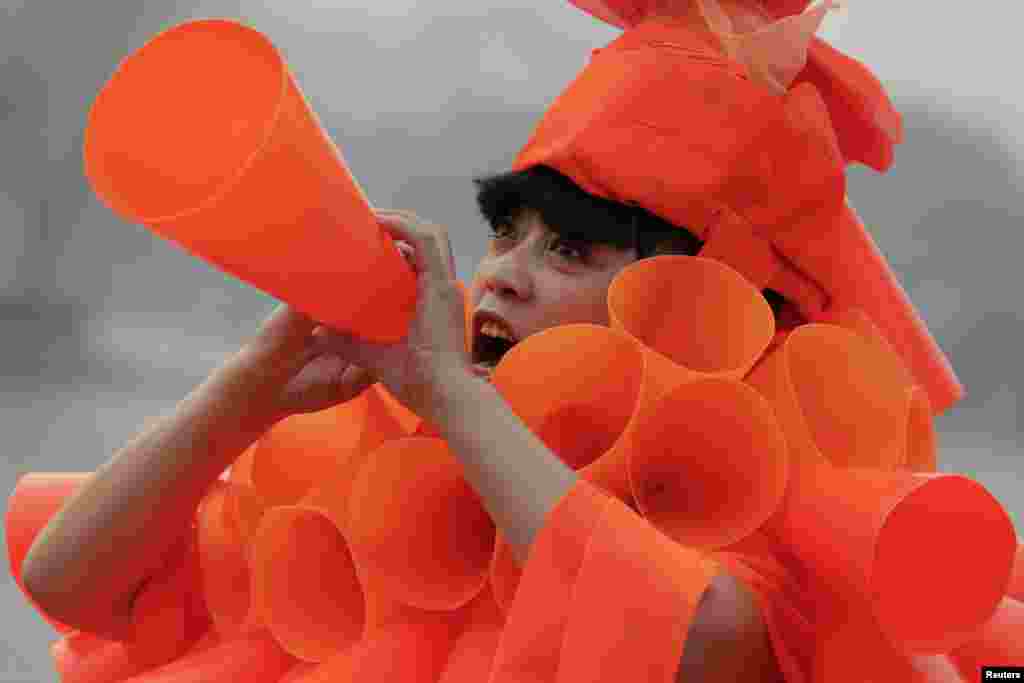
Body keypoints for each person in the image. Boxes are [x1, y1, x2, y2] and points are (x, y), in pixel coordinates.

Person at [11, 0, 1022, 681]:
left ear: (692, 303)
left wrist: (456, 397)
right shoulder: (395, 443)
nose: (500, 271)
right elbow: (71, 584)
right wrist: (247, 390)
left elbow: (694, 635)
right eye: (507, 231)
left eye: (571, 250)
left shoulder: (773, 515)